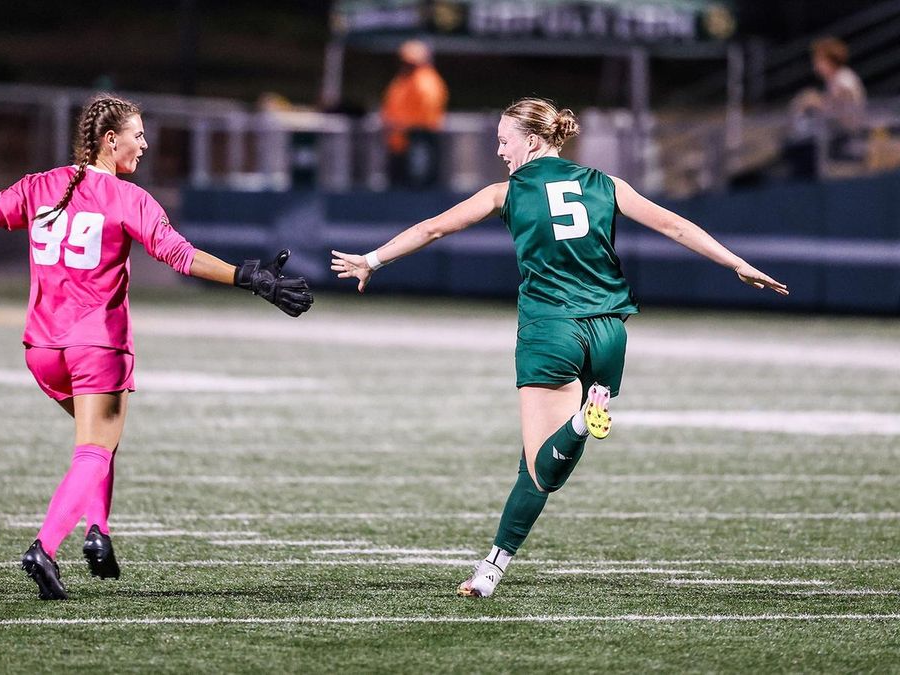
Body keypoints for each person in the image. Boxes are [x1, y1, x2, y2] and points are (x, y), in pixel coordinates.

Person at [331, 97, 787, 598]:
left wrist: (372, 260)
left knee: (542, 468)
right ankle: (491, 569)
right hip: (610, 333)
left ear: (531, 140)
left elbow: (433, 227)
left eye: (504, 140)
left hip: (552, 331)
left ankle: (579, 423)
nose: (499, 150)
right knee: (540, 464)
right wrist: (737, 263)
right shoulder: (607, 184)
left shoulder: (504, 192)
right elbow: (675, 225)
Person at [0, 93, 314, 600]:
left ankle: (98, 531)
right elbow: (180, 256)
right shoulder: (129, 199)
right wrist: (249, 277)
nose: (144, 145)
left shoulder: (38, 186)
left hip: (42, 349)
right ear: (110, 140)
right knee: (95, 449)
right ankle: (45, 547)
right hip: (97, 346)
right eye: (137, 135)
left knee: (100, 443)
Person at [786, 37, 867, 176]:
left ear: (829, 61)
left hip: (845, 138)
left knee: (799, 149)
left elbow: (840, 112)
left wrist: (814, 102)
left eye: (818, 61)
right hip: (837, 136)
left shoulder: (844, 80)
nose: (815, 67)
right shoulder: (836, 80)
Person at [380, 39, 449, 189]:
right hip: (399, 139)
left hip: (417, 137)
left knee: (416, 184)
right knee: (398, 183)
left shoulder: (425, 81)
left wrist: (405, 125)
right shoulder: (404, 79)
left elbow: (429, 113)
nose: (405, 64)